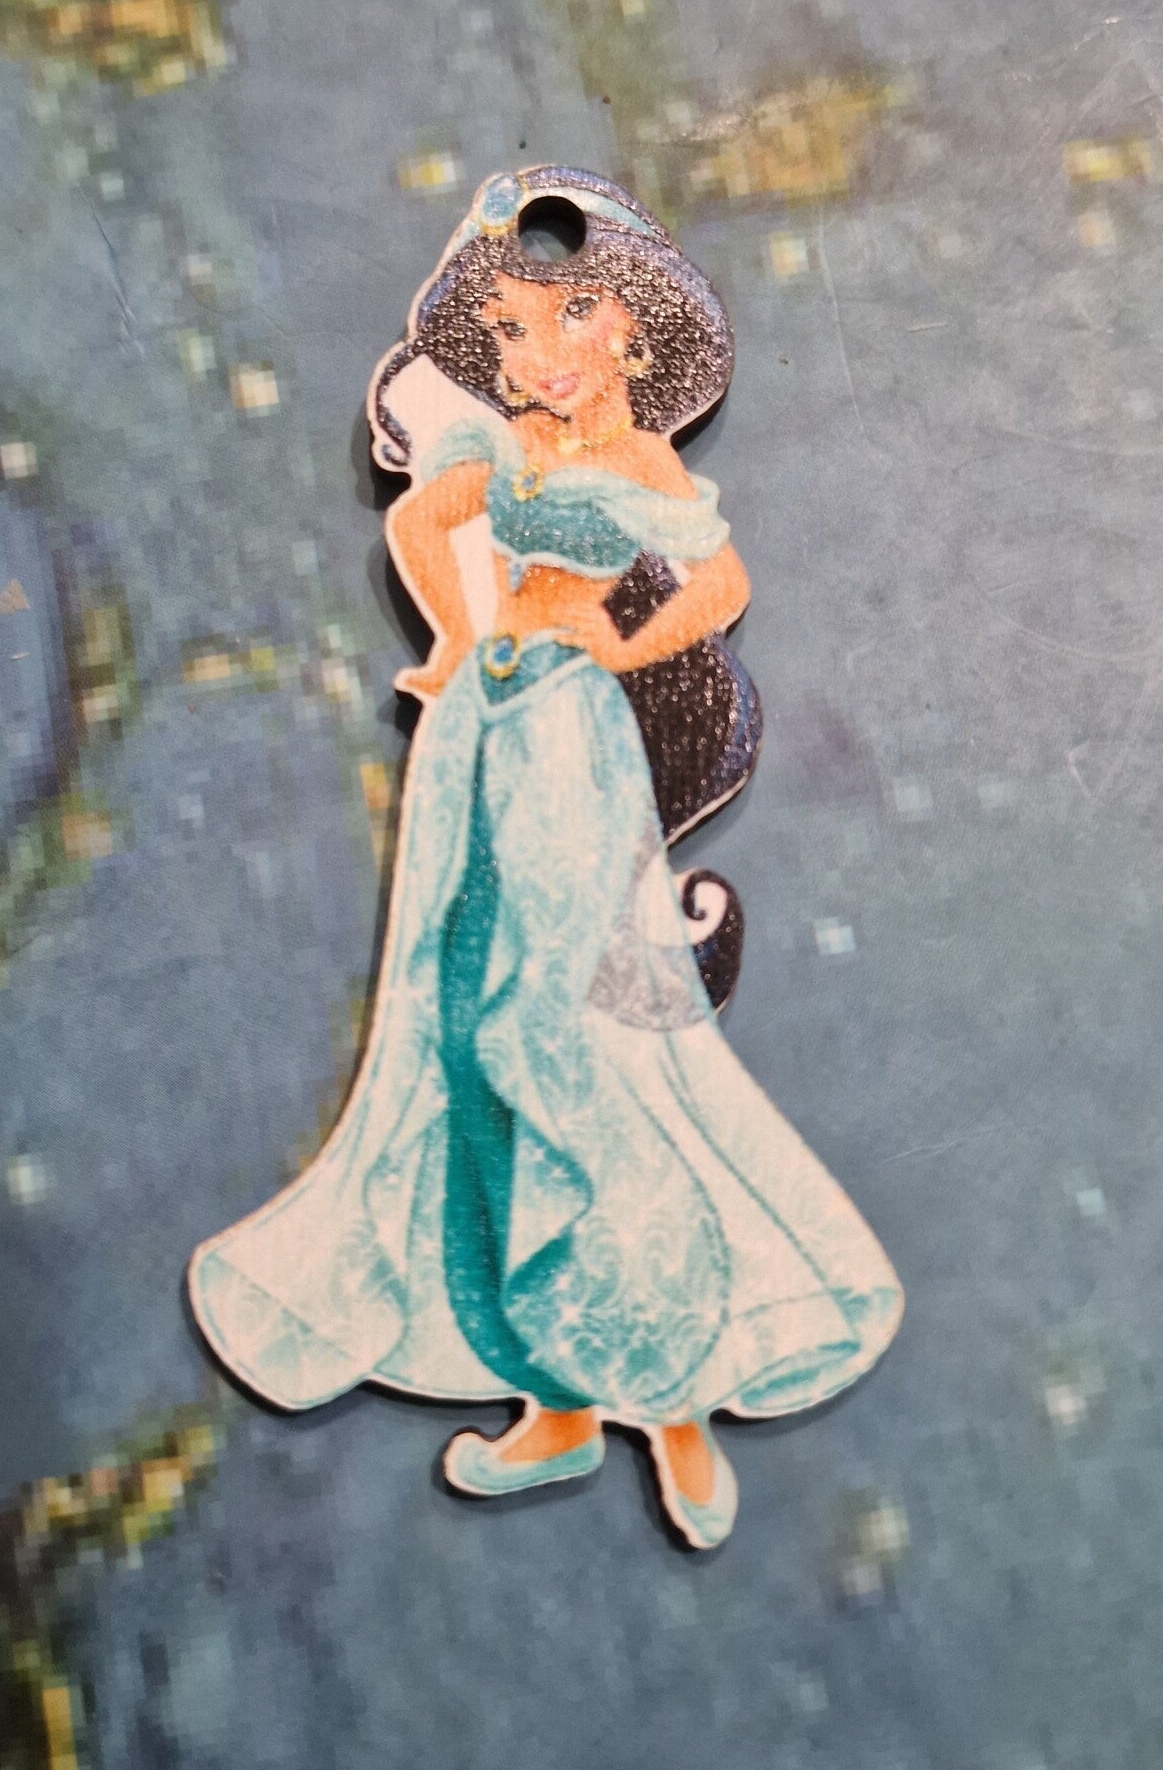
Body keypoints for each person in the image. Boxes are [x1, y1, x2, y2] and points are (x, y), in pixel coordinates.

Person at [186, 168, 901, 1548]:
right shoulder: (503, 451)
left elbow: (721, 584)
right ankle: (555, 1399)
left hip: (573, 747)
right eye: (509, 333)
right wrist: (461, 637)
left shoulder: (641, 468)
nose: (535, 354)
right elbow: (418, 522)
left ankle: (670, 1396)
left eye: (563, 318)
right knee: (464, 1038)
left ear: (628, 325)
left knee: (588, 1045)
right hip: (475, 742)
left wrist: (614, 640)